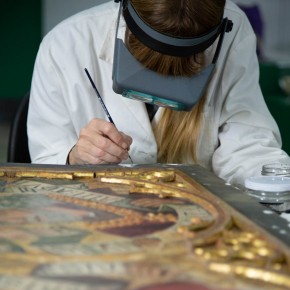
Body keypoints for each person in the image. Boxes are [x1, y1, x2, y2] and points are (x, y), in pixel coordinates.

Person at [27, 0, 290, 186]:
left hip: (198, 223)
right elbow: (45, 163)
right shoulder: (65, 44)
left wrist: (278, 179)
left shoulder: (233, 30)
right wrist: (76, 157)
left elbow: (247, 147)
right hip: (97, 218)